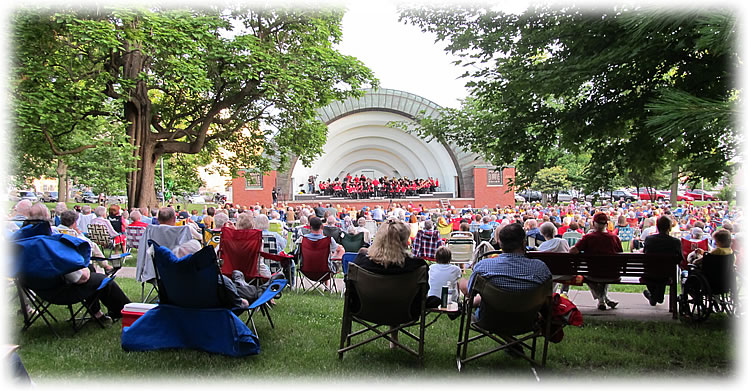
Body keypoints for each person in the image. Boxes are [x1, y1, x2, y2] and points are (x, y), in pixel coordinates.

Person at [458, 223, 551, 312]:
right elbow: (547, 297)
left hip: (489, 320)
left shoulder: (483, 267)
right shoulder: (540, 268)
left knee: (462, 283)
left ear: (500, 243)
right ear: (523, 243)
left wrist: (462, 283)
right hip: (529, 320)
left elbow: (470, 293)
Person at [569, 212, 623, 310]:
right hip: (612, 274)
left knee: (588, 274)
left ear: (593, 224)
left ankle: (601, 300)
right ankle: (604, 300)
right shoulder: (614, 238)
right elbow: (621, 254)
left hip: (593, 273)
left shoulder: (588, 238)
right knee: (606, 270)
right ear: (606, 224)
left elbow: (573, 251)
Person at [642, 216, 682, 306]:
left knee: (655, 271)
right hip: (667, 274)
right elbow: (679, 259)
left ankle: (653, 296)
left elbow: (645, 254)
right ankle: (655, 297)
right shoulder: (675, 242)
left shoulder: (649, 239)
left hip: (649, 273)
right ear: (670, 228)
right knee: (662, 272)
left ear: (657, 227)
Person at [426, 246, 462, 312]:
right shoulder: (456, 269)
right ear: (450, 257)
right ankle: (457, 299)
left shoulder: (431, 268)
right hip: (451, 301)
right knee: (456, 282)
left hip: (432, 300)